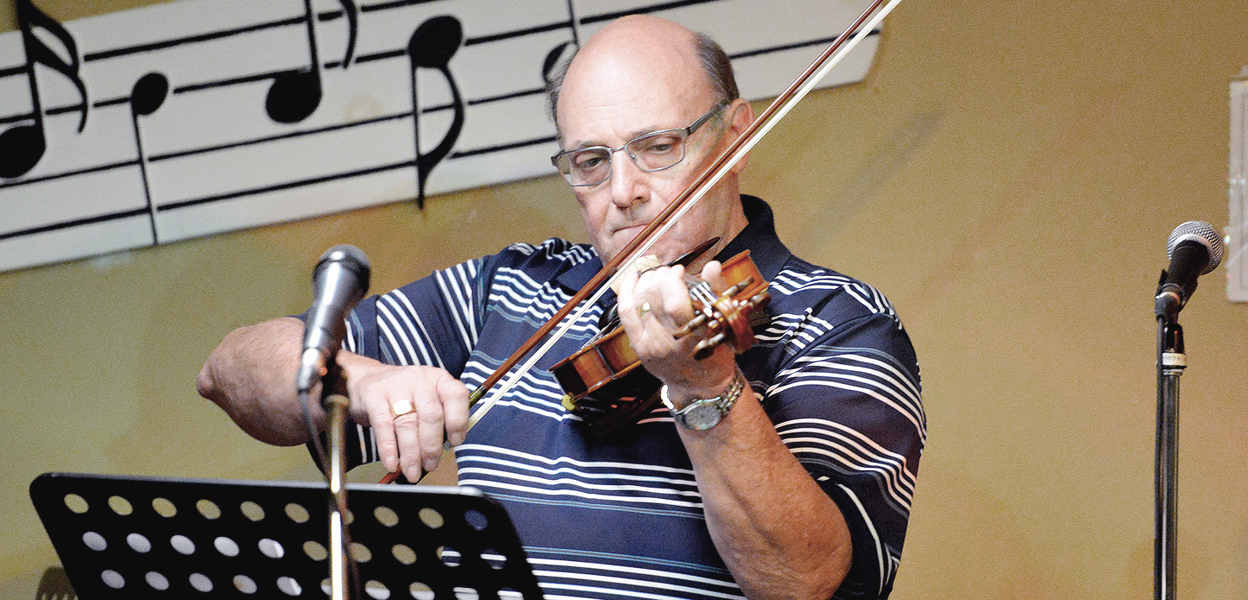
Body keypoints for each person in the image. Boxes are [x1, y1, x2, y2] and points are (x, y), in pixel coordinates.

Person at [199, 15, 924, 600]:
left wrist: (708, 394)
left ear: (734, 137)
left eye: (658, 147)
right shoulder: (512, 287)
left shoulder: (839, 320)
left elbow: (812, 582)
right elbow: (229, 371)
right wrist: (363, 383)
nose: (625, 189)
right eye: (590, 161)